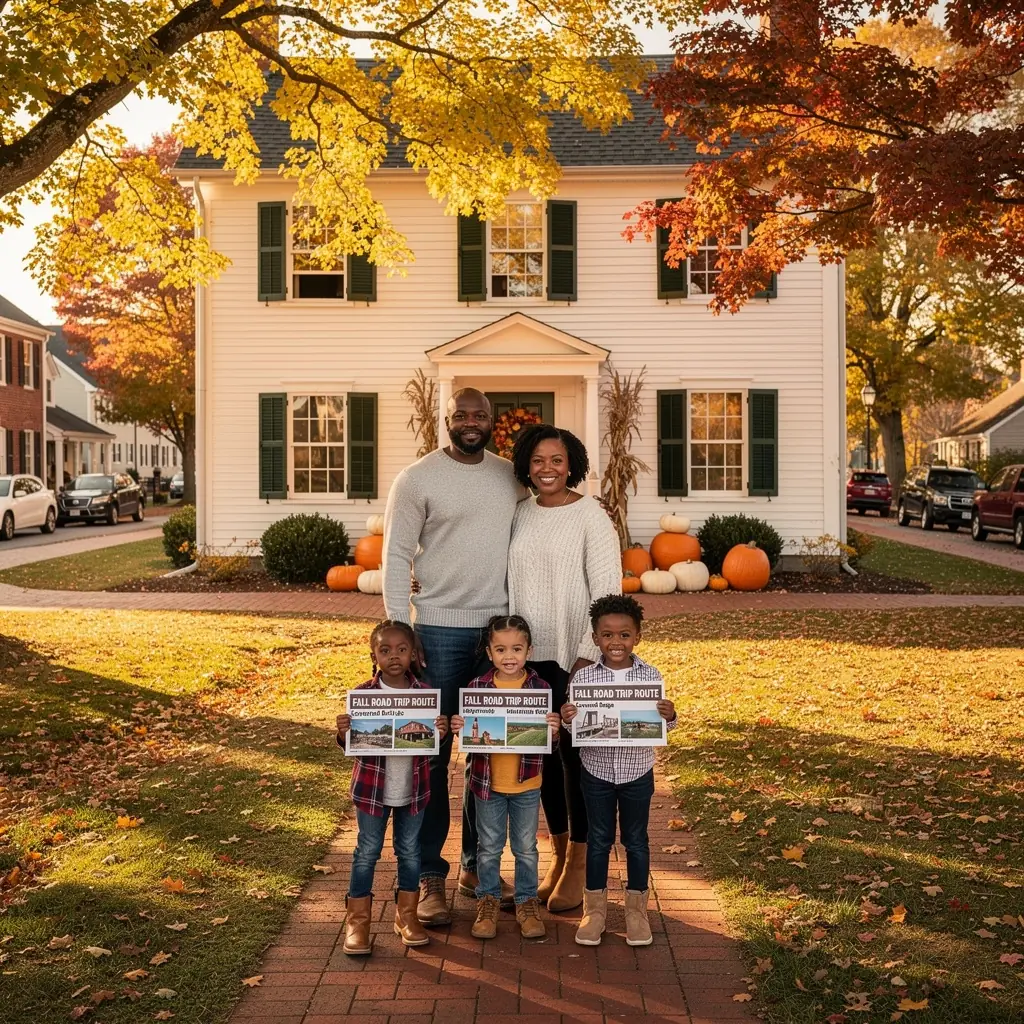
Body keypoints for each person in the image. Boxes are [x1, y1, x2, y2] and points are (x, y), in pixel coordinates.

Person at [382, 388, 521, 925]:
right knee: (431, 757)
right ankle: (428, 877)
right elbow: (396, 552)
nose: (469, 421)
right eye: (460, 414)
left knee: (488, 754)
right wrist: (399, 626)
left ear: (492, 422)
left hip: (498, 637)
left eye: (479, 414)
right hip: (436, 630)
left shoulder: (510, 476)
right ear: (446, 419)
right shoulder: (416, 479)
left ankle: (476, 867)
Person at [507, 423, 622, 911]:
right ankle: (556, 854)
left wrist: (585, 655)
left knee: (575, 760)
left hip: (572, 658)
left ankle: (579, 863)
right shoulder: (521, 513)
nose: (547, 469)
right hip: (525, 659)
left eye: (556, 460)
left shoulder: (592, 517)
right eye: (537, 461)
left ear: (571, 463)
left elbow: (607, 592)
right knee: (542, 759)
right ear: (525, 467)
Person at [560, 595, 677, 947]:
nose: (616, 642)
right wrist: (569, 720)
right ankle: (594, 912)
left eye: (624, 635)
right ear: (595, 638)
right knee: (597, 841)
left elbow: (662, 727)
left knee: (636, 841)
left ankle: (636, 911)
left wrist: (669, 717)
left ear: (637, 637)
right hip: (595, 770)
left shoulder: (650, 675)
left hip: (637, 771)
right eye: (607, 635)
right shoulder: (583, 679)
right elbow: (574, 728)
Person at [334, 620, 450, 955]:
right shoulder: (363, 696)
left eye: (401, 649)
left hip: (413, 790)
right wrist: (344, 732)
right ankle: (357, 924)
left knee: (409, 853)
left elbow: (432, 744)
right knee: (366, 852)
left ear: (413, 654)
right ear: (374, 655)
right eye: (385, 650)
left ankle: (407, 917)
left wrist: (440, 732)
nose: (394, 656)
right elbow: (350, 745)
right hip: (371, 791)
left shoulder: (426, 697)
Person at [450, 615, 562, 940]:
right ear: (489, 652)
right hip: (488, 784)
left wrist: (553, 731)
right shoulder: (477, 688)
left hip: (527, 784)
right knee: (489, 848)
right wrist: (460, 728)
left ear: (529, 650)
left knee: (526, 847)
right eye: (501, 649)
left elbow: (546, 741)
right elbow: (471, 740)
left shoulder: (540, 688)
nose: (509, 656)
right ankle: (488, 900)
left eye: (516, 648)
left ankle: (527, 902)